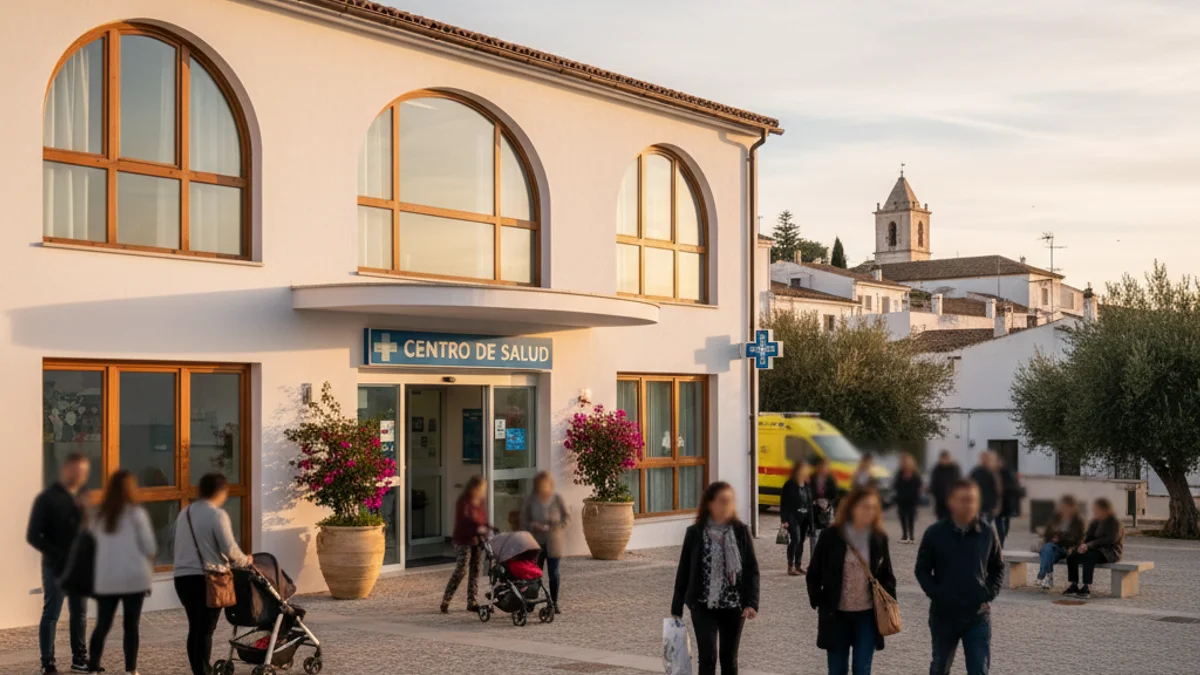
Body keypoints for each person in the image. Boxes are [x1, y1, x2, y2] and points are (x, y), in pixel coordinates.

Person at [670, 482, 759, 675]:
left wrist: (751, 603)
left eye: (731, 501)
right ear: (710, 504)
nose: (728, 505)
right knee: (708, 657)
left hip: (734, 606)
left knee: (729, 659)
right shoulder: (695, 533)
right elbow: (684, 569)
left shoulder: (741, 532)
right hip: (702, 605)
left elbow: (751, 570)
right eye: (723, 501)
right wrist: (676, 608)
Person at [915, 479, 1003, 675]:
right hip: (944, 616)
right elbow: (921, 570)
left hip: (978, 616)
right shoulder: (935, 533)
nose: (968, 504)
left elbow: (997, 567)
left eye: (972, 500)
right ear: (951, 502)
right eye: (963, 500)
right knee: (939, 669)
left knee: (979, 670)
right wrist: (938, 594)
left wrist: (987, 593)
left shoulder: (987, 532)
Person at [806, 487, 897, 675]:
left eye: (873, 508)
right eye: (864, 507)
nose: (869, 512)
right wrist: (818, 600)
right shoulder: (831, 536)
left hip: (867, 616)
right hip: (837, 614)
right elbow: (813, 572)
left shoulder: (878, 538)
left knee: (862, 669)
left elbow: (887, 574)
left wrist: (887, 600)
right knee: (837, 669)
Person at [174, 473, 251, 675]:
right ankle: (203, 671)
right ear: (220, 491)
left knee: (195, 627)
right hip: (208, 579)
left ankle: (199, 670)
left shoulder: (185, 513)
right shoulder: (217, 515)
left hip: (182, 578)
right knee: (206, 629)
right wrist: (246, 560)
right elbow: (230, 549)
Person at [26, 453, 91, 674]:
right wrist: (59, 555)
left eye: (84, 472)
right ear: (66, 470)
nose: (81, 476)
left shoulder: (82, 497)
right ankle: (48, 662)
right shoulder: (47, 498)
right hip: (54, 566)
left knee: (80, 613)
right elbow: (34, 535)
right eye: (77, 471)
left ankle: (79, 659)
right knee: (52, 612)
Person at [88, 470, 155, 675]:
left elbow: (91, 546)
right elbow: (149, 547)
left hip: (107, 579)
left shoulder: (99, 515)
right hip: (134, 578)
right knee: (131, 627)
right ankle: (130, 670)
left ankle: (93, 667)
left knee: (102, 625)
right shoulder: (136, 514)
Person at [442, 475, 493, 613]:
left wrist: (488, 528)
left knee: (476, 569)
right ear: (474, 487)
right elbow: (463, 521)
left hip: (478, 540)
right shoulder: (463, 501)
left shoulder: (480, 502)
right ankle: (446, 599)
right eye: (482, 488)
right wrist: (477, 528)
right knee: (462, 569)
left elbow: (483, 519)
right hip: (463, 539)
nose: (483, 490)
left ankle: (472, 601)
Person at [520, 471, 568, 613]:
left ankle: (554, 603)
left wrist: (556, 525)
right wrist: (532, 526)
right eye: (541, 484)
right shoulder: (531, 499)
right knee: (534, 574)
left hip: (554, 541)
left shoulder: (557, 499)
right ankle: (531, 601)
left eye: (546, 483)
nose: (543, 486)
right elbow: (524, 520)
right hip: (536, 542)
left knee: (553, 573)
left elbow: (566, 518)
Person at [1065, 498, 1125, 599]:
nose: (1095, 511)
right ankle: (1074, 584)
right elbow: (1088, 536)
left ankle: (1086, 586)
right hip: (1095, 549)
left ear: (1105, 509)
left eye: (1097, 509)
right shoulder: (1095, 522)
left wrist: (1089, 545)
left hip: (1110, 552)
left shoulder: (1114, 522)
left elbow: (1110, 540)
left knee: (1089, 557)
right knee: (1072, 555)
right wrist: (1080, 546)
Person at [1035, 495, 1084, 589]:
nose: (1063, 509)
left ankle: (1043, 576)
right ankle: (1047, 579)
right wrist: (1050, 536)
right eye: (1062, 507)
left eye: (1066, 507)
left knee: (1046, 550)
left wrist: (1060, 538)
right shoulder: (1055, 518)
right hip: (1053, 548)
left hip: (1067, 549)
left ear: (1073, 508)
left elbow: (1078, 539)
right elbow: (1047, 534)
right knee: (1048, 550)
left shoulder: (1079, 521)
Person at [780, 463, 814, 575]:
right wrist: (784, 520)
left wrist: (811, 524)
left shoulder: (807, 486)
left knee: (801, 541)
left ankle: (798, 565)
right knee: (795, 539)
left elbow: (810, 505)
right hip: (793, 516)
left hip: (805, 517)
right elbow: (784, 503)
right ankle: (790, 566)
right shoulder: (789, 485)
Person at [892, 454, 923, 544]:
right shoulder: (899, 473)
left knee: (911, 516)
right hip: (901, 498)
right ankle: (905, 534)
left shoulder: (915, 473)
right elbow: (896, 484)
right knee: (902, 516)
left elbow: (918, 484)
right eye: (904, 462)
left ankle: (911, 535)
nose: (905, 464)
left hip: (912, 499)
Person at [809, 458, 840, 549]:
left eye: (826, 466)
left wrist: (828, 503)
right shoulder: (812, 478)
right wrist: (814, 501)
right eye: (822, 466)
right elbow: (807, 492)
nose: (824, 468)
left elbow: (835, 495)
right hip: (814, 510)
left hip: (827, 510)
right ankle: (814, 558)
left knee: (826, 535)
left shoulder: (830, 479)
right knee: (814, 536)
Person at [967, 451, 1002, 527]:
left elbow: (997, 490)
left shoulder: (993, 472)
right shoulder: (975, 472)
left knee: (986, 526)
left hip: (989, 505)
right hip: (978, 504)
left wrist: (997, 505)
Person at [928, 451, 962, 522]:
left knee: (952, 519)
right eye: (943, 458)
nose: (944, 460)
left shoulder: (954, 469)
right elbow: (933, 482)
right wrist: (933, 492)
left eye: (946, 458)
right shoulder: (936, 469)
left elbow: (958, 482)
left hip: (952, 498)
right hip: (940, 500)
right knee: (941, 519)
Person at [995, 457, 1021, 547]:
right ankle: (1001, 540)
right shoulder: (1005, 473)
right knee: (1002, 522)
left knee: (1001, 522)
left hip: (1003, 502)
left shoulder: (1001, 473)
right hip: (1005, 503)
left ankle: (1001, 541)